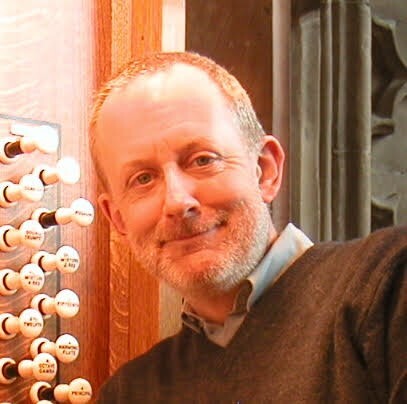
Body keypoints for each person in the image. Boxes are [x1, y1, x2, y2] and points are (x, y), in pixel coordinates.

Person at [90, 52, 406, 403]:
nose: (177, 201)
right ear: (117, 218)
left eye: (202, 160)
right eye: (143, 179)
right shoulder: (128, 394)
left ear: (265, 170)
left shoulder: (390, 284)